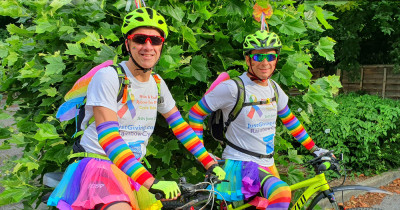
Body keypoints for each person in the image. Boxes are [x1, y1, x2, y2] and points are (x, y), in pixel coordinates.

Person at [47, 7, 225, 210]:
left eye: (155, 40)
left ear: (161, 45)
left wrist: (209, 162)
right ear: (128, 44)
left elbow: (180, 127)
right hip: (99, 167)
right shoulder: (109, 76)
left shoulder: (157, 83)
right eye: (140, 39)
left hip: (133, 170)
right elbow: (109, 138)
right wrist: (152, 182)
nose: (148, 46)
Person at [189, 30, 330, 209]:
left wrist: (315, 149)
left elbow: (290, 121)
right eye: (258, 57)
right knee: (282, 193)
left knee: (279, 202)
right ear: (248, 59)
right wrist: (203, 155)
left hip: (267, 165)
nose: (265, 63)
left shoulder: (274, 88)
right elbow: (195, 113)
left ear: (276, 59)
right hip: (240, 164)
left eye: (270, 57)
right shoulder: (232, 88)